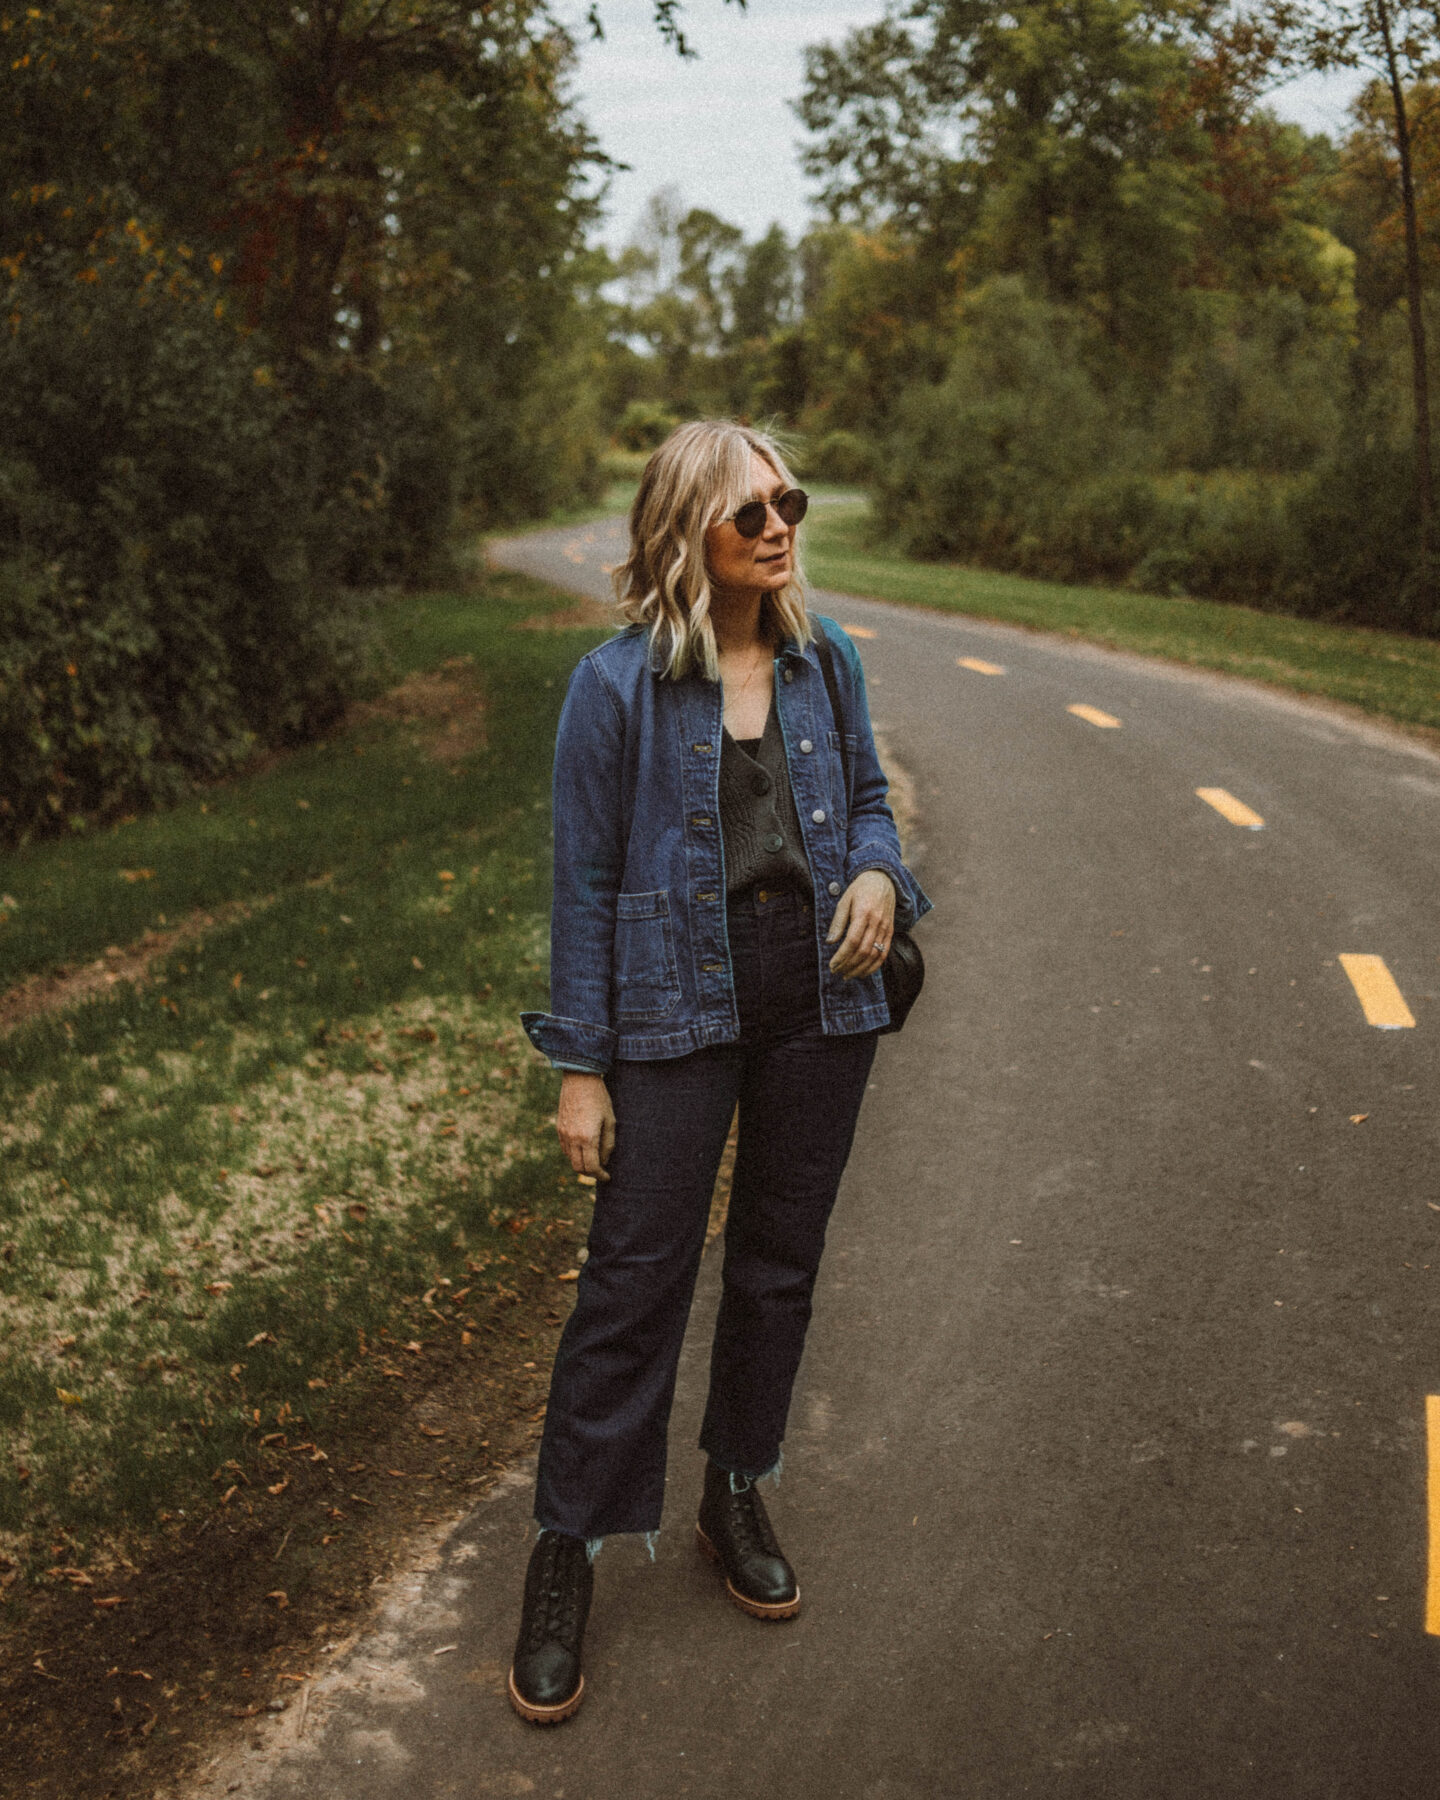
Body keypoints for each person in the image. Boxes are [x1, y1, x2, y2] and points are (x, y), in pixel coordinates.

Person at [511, 419, 931, 1723]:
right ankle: (565, 1548)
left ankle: (734, 1483)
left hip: (821, 1001)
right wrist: (581, 1067)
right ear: (687, 526)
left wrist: (879, 871)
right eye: (751, 509)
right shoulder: (616, 686)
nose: (779, 525)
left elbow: (868, 798)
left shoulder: (824, 661)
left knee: (777, 1263)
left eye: (788, 502)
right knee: (637, 1278)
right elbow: (582, 884)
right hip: (669, 1007)